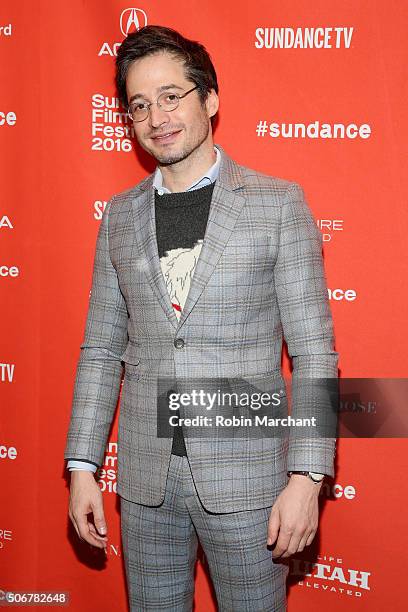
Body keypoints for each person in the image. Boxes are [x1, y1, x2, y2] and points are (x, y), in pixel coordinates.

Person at [64, 25, 338, 612]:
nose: (156, 116)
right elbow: (100, 349)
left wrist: (307, 479)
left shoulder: (277, 204)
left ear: (209, 98)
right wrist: (83, 465)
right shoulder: (119, 216)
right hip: (144, 486)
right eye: (139, 105)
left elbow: (314, 352)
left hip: (250, 486)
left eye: (171, 95)